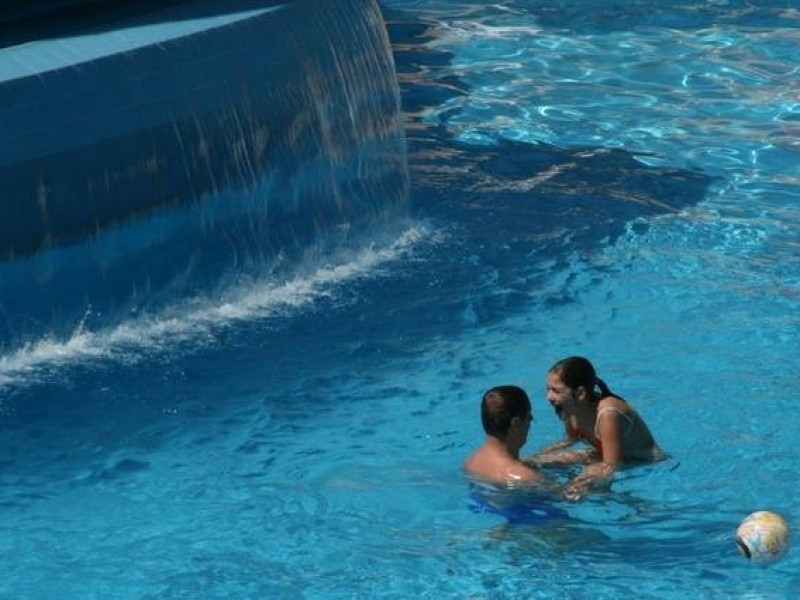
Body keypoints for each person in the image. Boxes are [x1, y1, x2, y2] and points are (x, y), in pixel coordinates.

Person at [531, 356, 662, 498]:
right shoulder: (571, 408)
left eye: (556, 391)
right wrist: (539, 456)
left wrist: (583, 484)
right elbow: (570, 440)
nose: (548, 396)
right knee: (535, 463)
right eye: (548, 389)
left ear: (580, 393)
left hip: (642, 460)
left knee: (571, 491)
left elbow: (611, 465)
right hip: (604, 456)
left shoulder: (607, 413)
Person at [463, 385, 548, 486]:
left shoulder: (471, 461)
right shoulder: (525, 477)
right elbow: (561, 493)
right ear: (516, 424)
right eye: (529, 416)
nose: (531, 419)